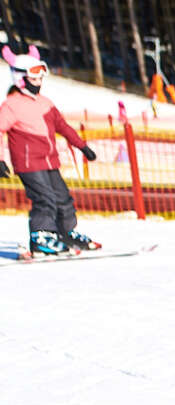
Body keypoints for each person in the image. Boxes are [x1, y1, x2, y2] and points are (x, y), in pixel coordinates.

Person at [0, 45, 100, 258]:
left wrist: (82, 146)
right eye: (34, 80)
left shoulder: (45, 103)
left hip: (49, 161)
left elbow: (62, 126)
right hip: (28, 163)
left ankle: (65, 233)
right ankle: (40, 237)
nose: (38, 84)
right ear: (20, 79)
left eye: (40, 80)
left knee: (62, 198)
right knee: (44, 198)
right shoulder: (11, 105)